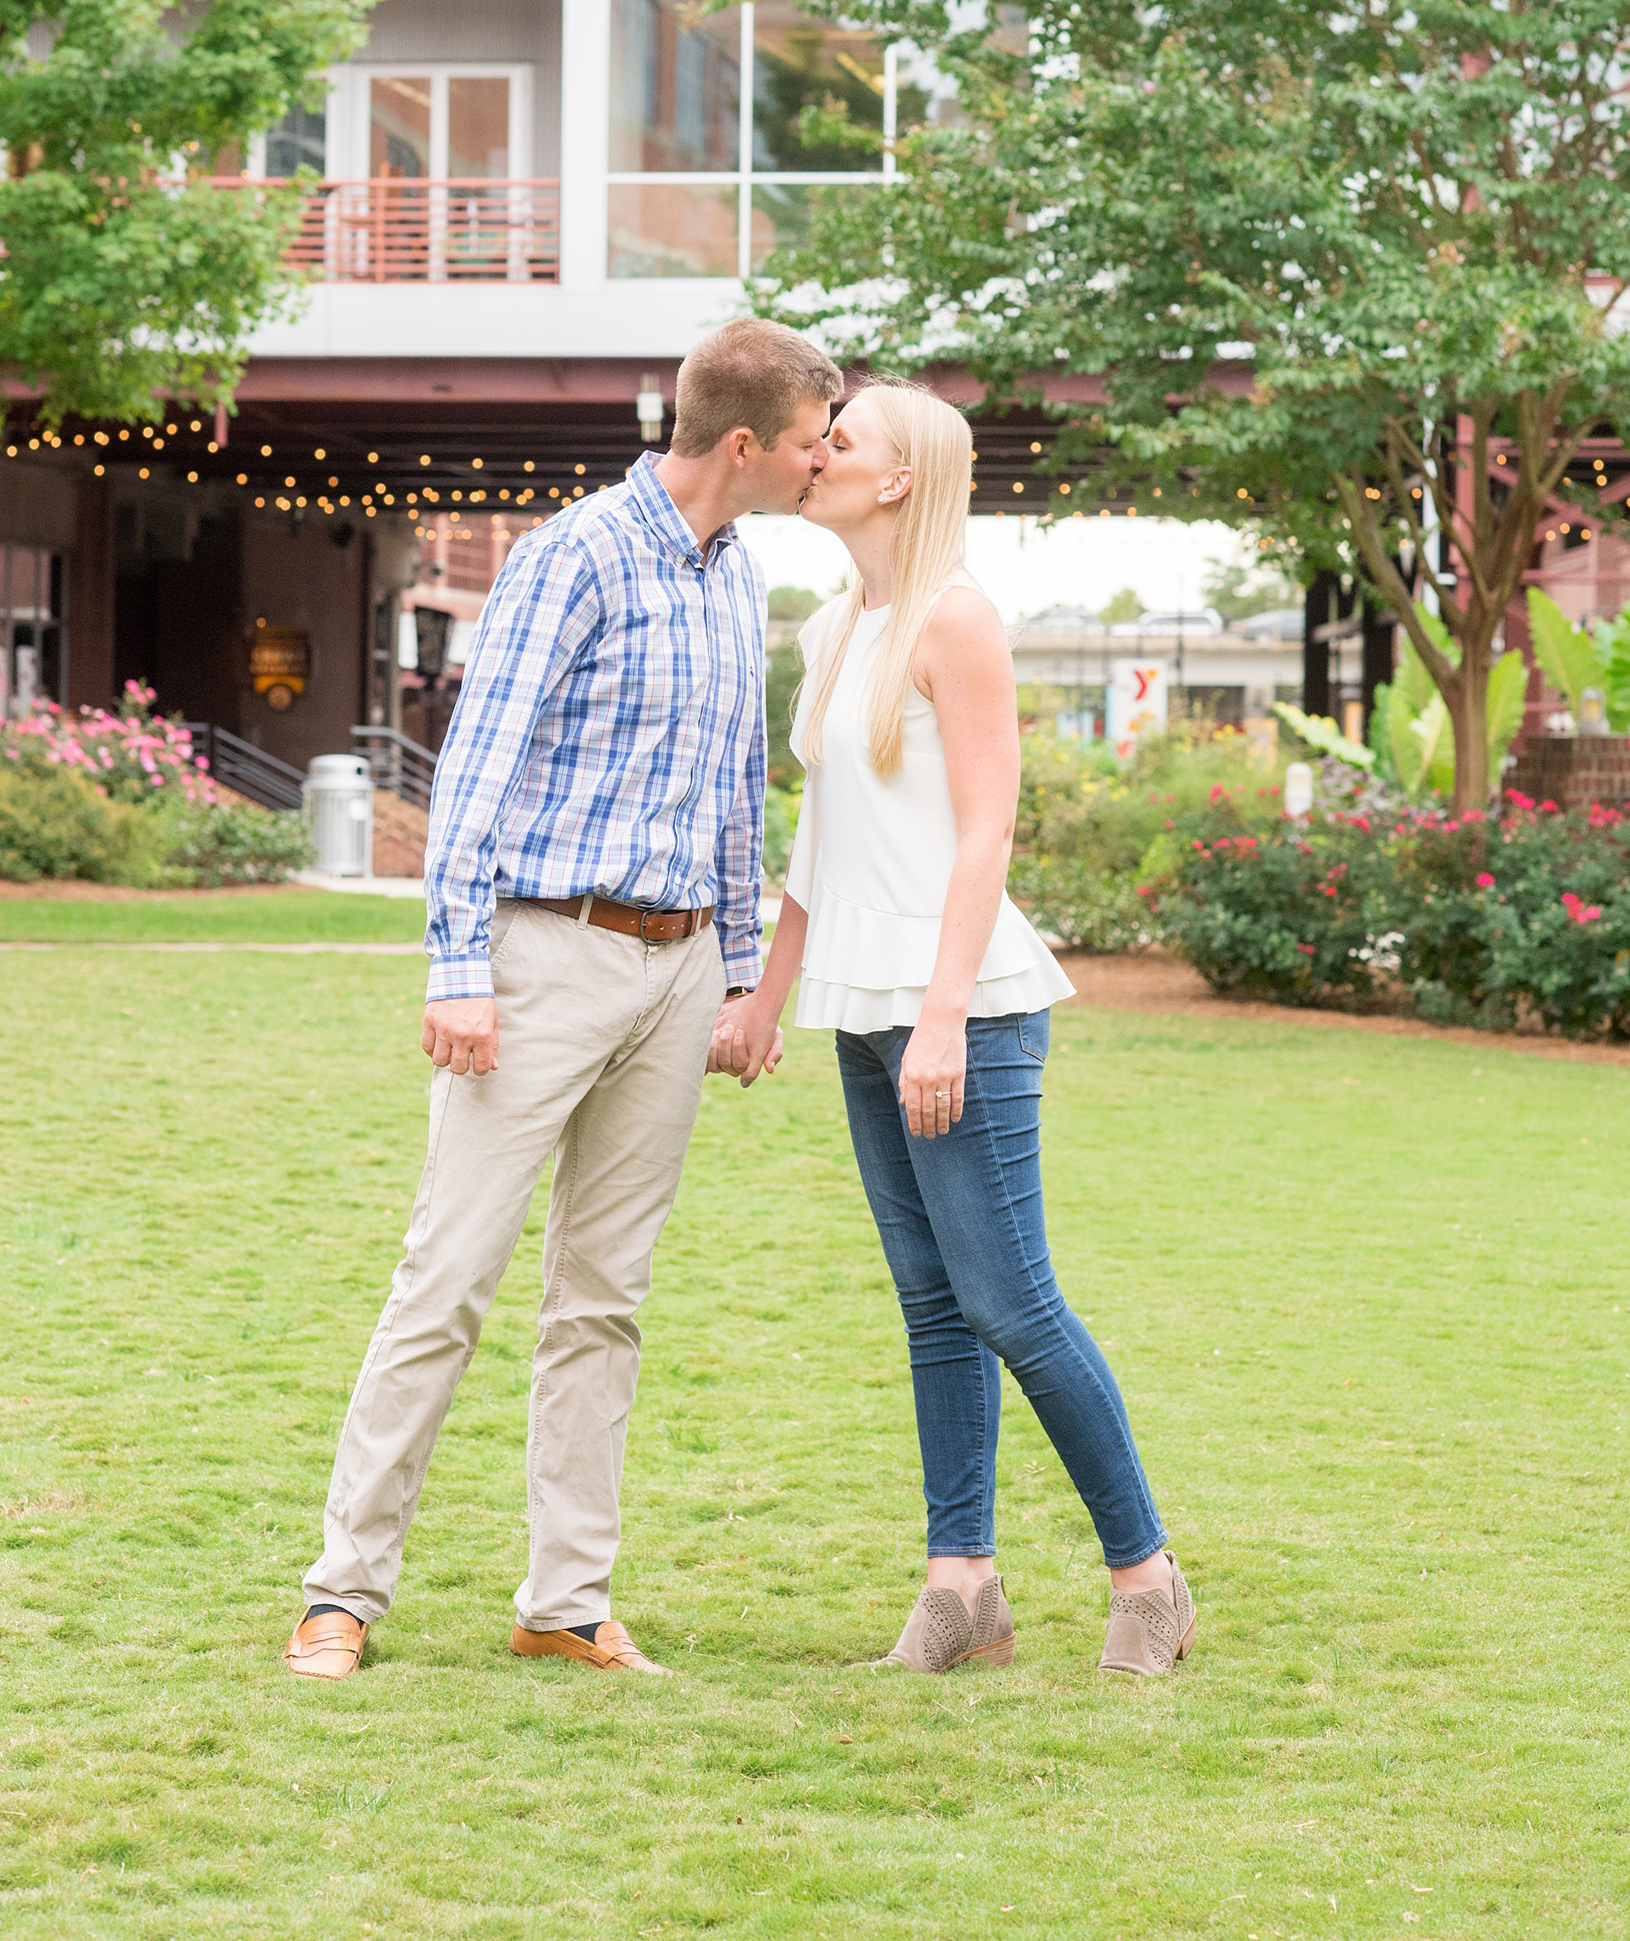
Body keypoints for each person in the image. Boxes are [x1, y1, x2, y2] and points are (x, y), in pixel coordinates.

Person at [284, 318, 841, 1683]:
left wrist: (729, 978)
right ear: (746, 441)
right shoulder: (572, 554)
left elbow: (731, 788)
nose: (827, 462)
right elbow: (473, 773)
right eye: (817, 440)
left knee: (606, 1296)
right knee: (448, 1277)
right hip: (540, 957)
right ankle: (341, 1593)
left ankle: (566, 1600)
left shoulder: (741, 575)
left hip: (667, 974)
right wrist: (460, 970)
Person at [711, 381, 1194, 1678]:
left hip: (959, 1011)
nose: (819, 455)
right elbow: (821, 837)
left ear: (899, 478)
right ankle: (961, 1584)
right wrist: (765, 990)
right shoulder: (830, 629)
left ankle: (1148, 1576)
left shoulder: (958, 619)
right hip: (862, 1007)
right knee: (934, 1307)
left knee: (1012, 1302)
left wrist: (941, 1018)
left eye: (843, 441)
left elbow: (987, 828)